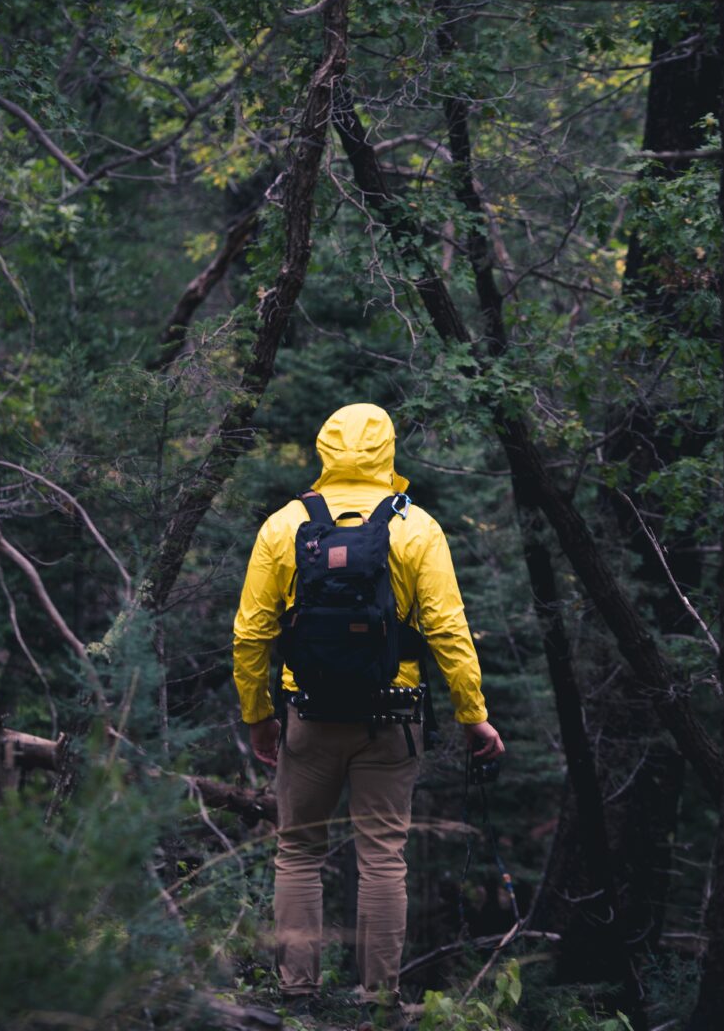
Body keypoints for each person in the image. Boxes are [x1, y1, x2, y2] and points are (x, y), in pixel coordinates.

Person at [232, 403, 505, 1014]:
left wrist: (258, 715)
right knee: (382, 858)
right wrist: (473, 715)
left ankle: (296, 995)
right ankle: (380, 1002)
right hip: (394, 717)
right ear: (388, 451)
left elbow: (251, 634)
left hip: (310, 714)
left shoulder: (285, 525)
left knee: (298, 851)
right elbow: (448, 631)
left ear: (324, 448)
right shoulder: (417, 528)